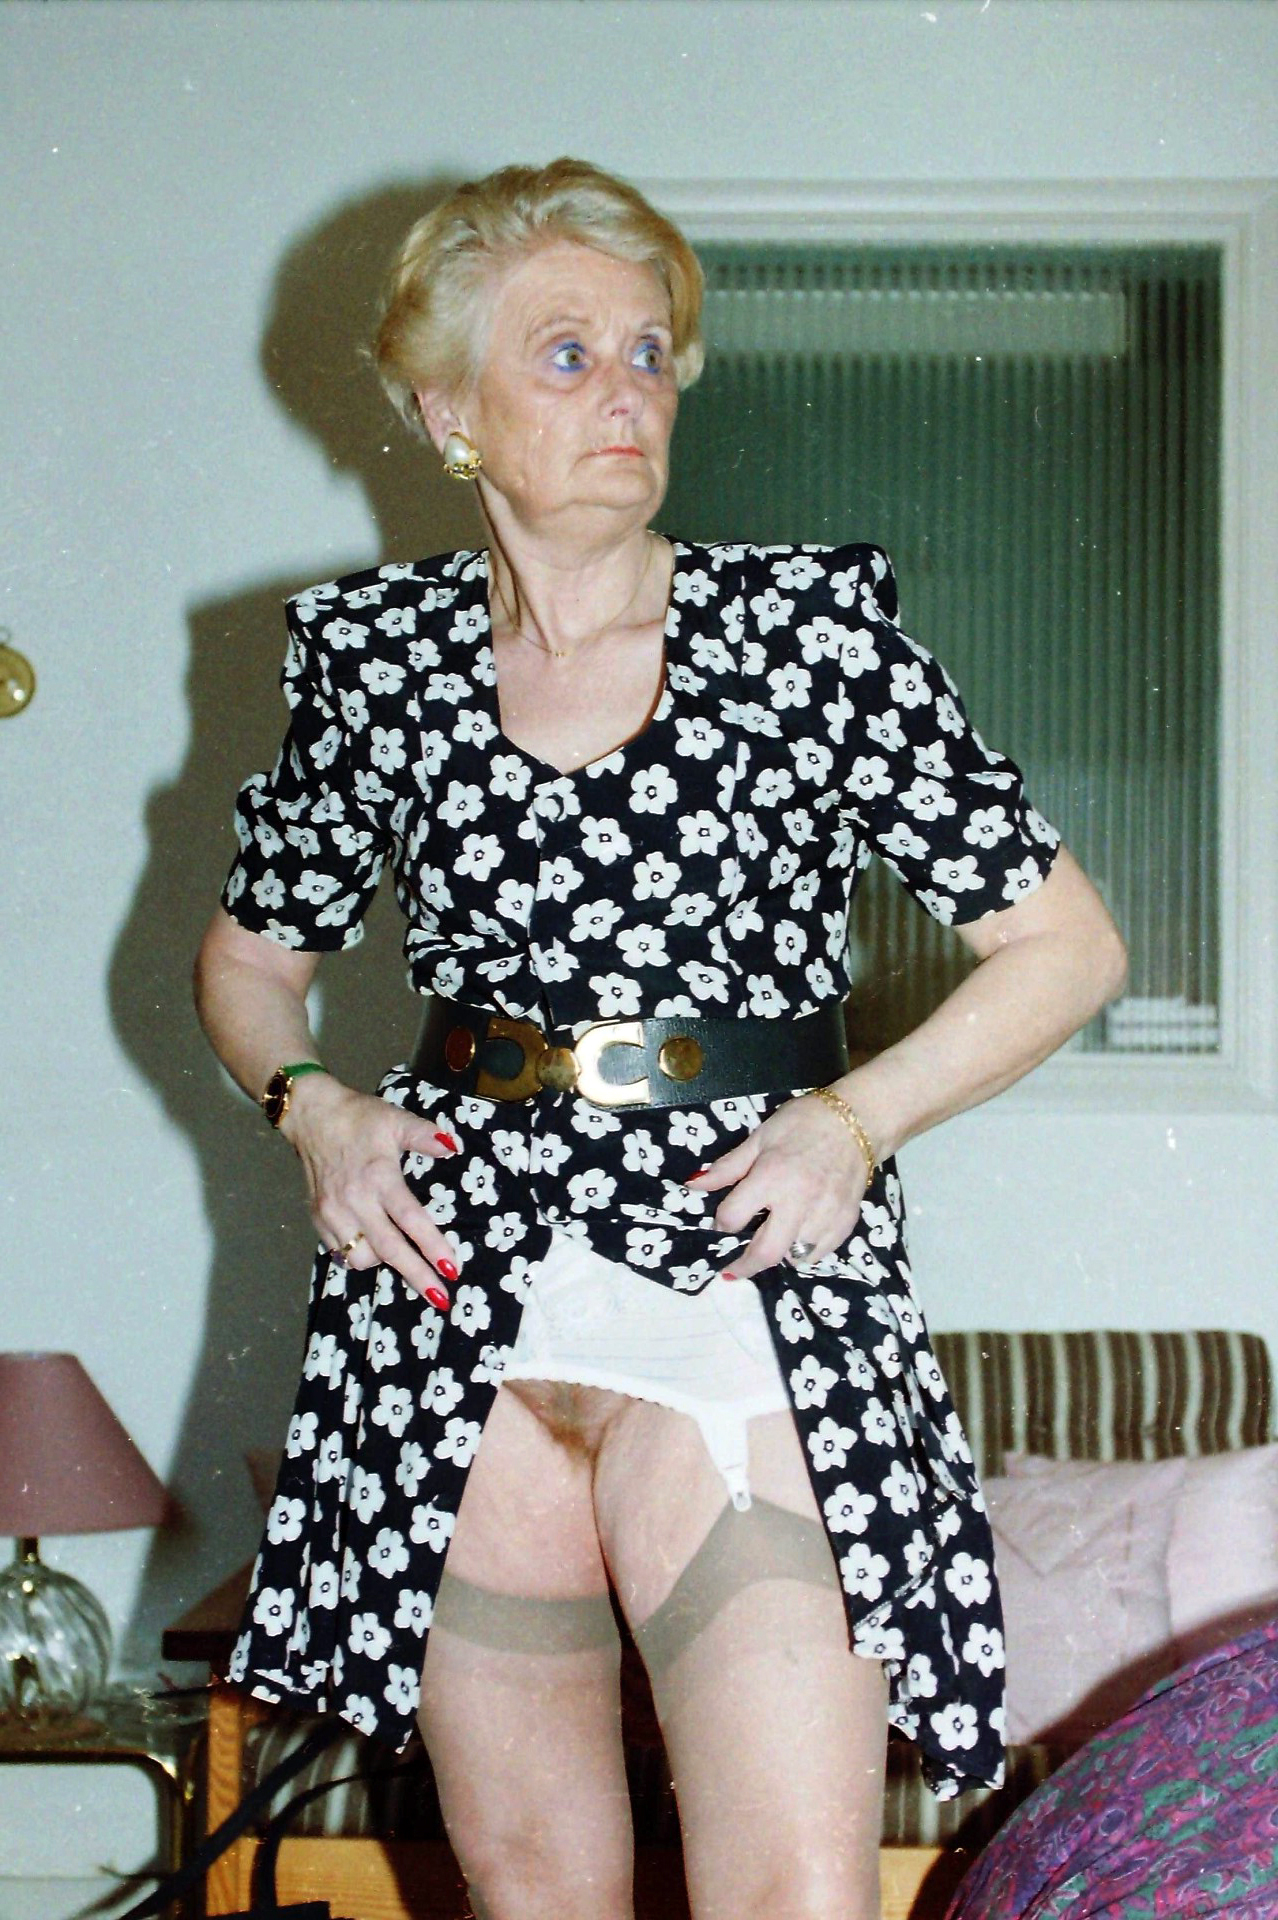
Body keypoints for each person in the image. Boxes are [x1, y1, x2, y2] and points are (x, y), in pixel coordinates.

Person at [194, 157, 1127, 1920]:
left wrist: (852, 1122)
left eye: (648, 352)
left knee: (787, 1891)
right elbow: (249, 963)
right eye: (565, 354)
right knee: (532, 1885)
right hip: (452, 1306)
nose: (626, 389)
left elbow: (1063, 947)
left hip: (736, 1286)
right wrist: (312, 1108)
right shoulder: (375, 664)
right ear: (446, 411)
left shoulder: (803, 638)